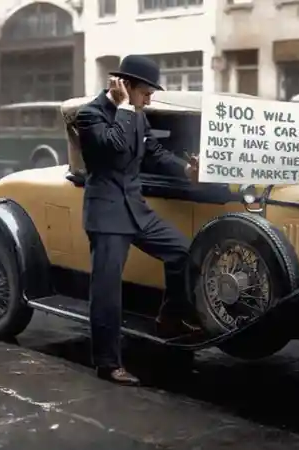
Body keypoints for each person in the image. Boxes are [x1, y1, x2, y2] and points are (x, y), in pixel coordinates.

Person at [75, 54, 200, 386]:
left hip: (136, 209)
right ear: (125, 86)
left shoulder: (139, 116)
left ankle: (170, 318)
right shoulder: (90, 115)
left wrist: (186, 169)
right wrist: (126, 108)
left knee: (182, 252)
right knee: (106, 291)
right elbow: (114, 148)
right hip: (106, 214)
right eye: (145, 92)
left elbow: (155, 153)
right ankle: (107, 363)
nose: (149, 99)